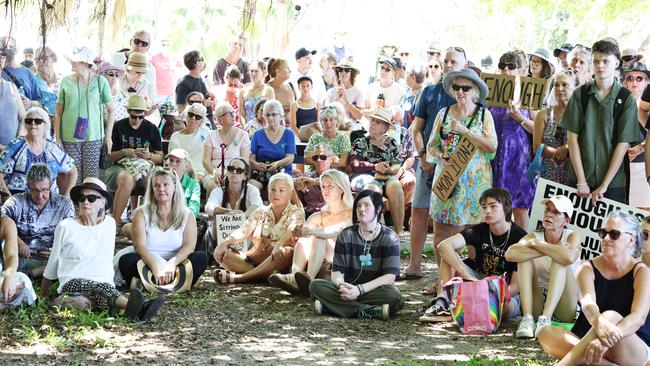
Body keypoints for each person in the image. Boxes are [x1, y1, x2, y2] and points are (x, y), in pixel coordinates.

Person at [41, 177, 164, 321]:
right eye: (82, 198)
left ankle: (133, 313)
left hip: (104, 284)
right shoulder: (65, 226)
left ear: (102, 203)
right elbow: (53, 261)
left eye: (92, 198)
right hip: (73, 282)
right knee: (101, 291)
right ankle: (141, 306)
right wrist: (42, 294)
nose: (86, 202)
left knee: (101, 294)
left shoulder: (110, 224)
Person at [538, 211, 650, 366]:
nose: (606, 239)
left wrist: (604, 341)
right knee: (545, 333)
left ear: (630, 240)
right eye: (603, 233)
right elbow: (588, 306)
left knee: (611, 316)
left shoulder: (642, 272)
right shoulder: (587, 267)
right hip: (588, 339)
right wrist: (599, 324)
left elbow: (638, 318)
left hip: (629, 344)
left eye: (614, 234)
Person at [403, 47, 464, 281]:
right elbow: (416, 129)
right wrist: (422, 156)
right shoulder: (428, 92)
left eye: (454, 61)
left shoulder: (468, 94)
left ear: (463, 66)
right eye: (446, 61)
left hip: (457, 168)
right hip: (428, 164)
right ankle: (414, 265)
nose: (448, 65)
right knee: (419, 210)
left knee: (451, 220)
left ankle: (448, 275)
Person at [420, 188, 526, 322]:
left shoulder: (520, 237)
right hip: (477, 280)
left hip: (503, 290)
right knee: (448, 256)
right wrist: (467, 276)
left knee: (504, 309)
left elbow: (515, 286)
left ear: (506, 208)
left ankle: (465, 308)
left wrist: (489, 294)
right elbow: (443, 246)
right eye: (484, 207)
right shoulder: (479, 229)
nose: (487, 211)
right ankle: (442, 303)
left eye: (493, 206)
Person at [426, 69, 497, 267]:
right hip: (448, 179)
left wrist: (467, 132)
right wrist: (442, 157)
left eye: (465, 88)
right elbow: (432, 147)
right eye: (456, 87)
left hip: (475, 183)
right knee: (441, 230)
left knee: (475, 232)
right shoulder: (444, 114)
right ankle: (443, 280)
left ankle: (472, 279)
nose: (461, 92)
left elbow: (492, 147)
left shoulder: (484, 115)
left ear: (474, 91)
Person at [562, 39, 642, 205]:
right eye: (596, 61)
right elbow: (572, 139)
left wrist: (604, 185)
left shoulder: (625, 98)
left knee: (611, 229)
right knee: (573, 229)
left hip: (614, 183)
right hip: (579, 179)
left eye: (606, 61)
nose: (600, 66)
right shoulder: (580, 94)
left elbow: (623, 144)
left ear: (617, 63)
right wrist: (581, 180)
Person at [308, 189, 404, 320]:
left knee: (393, 296)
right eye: (358, 205)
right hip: (347, 289)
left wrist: (359, 290)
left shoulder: (390, 238)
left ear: (378, 209)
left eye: (366, 205)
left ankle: (331, 307)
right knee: (315, 286)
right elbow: (337, 273)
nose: (361, 209)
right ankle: (367, 311)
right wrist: (342, 286)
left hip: (373, 290)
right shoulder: (346, 235)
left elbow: (390, 277)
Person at [117, 167, 208, 291]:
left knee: (201, 258)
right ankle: (170, 282)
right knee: (126, 260)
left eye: (166, 185)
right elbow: (140, 248)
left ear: (174, 186)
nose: (161, 189)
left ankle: (151, 283)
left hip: (177, 263)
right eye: (157, 186)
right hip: (148, 261)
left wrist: (171, 265)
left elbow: (189, 247)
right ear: (152, 189)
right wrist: (155, 267)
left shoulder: (187, 214)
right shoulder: (141, 213)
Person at [505, 195, 581, 339]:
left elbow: (569, 257)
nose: (549, 214)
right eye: (547, 210)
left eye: (556, 212)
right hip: (537, 300)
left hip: (565, 303)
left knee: (560, 259)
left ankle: (545, 319)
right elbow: (510, 254)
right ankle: (527, 319)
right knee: (523, 258)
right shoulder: (533, 236)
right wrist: (554, 248)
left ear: (566, 221)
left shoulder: (572, 236)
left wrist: (538, 245)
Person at [269, 169, 353, 296]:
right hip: (320, 261)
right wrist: (297, 232)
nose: (325, 190)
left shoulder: (352, 212)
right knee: (307, 236)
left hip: (344, 259)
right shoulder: (317, 216)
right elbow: (303, 237)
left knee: (318, 235)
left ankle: (308, 279)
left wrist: (313, 231)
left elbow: (337, 231)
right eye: (323, 186)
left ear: (342, 188)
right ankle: (294, 277)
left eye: (330, 186)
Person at [213, 173, 305, 284]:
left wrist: (279, 244)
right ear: (268, 190)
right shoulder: (260, 211)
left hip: (278, 261)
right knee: (224, 254)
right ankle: (265, 275)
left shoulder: (296, 212)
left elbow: (292, 231)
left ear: (290, 193)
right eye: (273, 189)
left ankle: (241, 277)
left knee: (287, 251)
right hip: (254, 259)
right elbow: (243, 231)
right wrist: (225, 243)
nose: (276, 193)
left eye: (281, 190)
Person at [1, 163, 74, 279]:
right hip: (20, 257)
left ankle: (31, 274)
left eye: (45, 190)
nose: (40, 196)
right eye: (35, 190)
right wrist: (18, 242)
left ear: (51, 185)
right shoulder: (17, 201)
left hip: (50, 260)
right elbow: (1, 220)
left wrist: (57, 249)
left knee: (70, 258)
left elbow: (72, 234)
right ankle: (21, 275)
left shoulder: (64, 204)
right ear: (27, 186)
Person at [54, 47, 114, 184]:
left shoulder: (100, 81)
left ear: (86, 64)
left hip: (94, 136)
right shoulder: (66, 81)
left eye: (76, 60)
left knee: (91, 178)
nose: (72, 63)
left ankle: (90, 205)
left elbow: (111, 110)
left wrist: (108, 137)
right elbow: (58, 112)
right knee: (73, 178)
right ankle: (74, 206)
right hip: (69, 137)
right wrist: (57, 138)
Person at [489, 51, 535, 230]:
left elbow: (539, 129)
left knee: (520, 208)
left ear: (521, 70)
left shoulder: (529, 94)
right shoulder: (490, 94)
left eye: (511, 66)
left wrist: (520, 118)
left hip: (519, 161)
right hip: (494, 158)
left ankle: (524, 255)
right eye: (502, 66)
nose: (506, 70)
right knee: (493, 207)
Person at [104, 95, 163, 226]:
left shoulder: (152, 128)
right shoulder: (118, 126)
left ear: (145, 114)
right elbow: (108, 156)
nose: (137, 120)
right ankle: (114, 222)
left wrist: (148, 156)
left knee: (152, 180)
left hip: (144, 166)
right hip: (119, 166)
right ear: (128, 112)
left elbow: (160, 157)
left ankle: (148, 222)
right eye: (134, 116)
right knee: (127, 179)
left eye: (141, 117)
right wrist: (123, 152)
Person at [350, 108, 405, 237]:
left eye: (378, 122)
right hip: (368, 176)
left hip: (387, 176)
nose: (373, 123)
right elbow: (355, 164)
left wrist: (391, 169)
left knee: (395, 186)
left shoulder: (391, 142)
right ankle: (377, 232)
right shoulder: (361, 141)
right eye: (373, 121)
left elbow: (397, 163)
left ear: (385, 128)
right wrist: (375, 166)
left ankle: (399, 232)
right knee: (373, 189)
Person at [0, 107, 77, 196]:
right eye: (29, 121)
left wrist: (66, 197)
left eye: (38, 121)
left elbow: (73, 171)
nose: (33, 123)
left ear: (45, 125)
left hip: (48, 200)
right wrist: (8, 198)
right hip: (20, 199)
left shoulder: (52, 148)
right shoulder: (16, 145)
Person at [533, 70, 579, 185]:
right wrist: (558, 153)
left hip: (573, 177)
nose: (559, 88)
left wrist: (568, 147)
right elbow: (536, 147)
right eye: (556, 85)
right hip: (547, 178)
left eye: (564, 84)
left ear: (575, 88)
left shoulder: (582, 116)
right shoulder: (543, 114)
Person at [202, 102, 251, 195]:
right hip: (213, 173)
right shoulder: (211, 135)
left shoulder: (243, 135)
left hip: (235, 173)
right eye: (229, 114)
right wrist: (214, 173)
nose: (233, 115)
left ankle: (232, 209)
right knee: (212, 185)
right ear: (220, 120)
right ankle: (212, 209)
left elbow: (245, 162)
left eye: (234, 112)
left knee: (234, 184)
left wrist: (232, 174)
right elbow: (205, 161)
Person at [249, 100, 296, 191]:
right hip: (261, 172)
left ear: (281, 116)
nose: (270, 118)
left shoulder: (288, 134)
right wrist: (257, 165)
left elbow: (290, 158)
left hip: (281, 172)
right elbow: (251, 158)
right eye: (267, 115)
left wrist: (277, 164)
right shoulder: (257, 135)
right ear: (264, 117)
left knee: (274, 187)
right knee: (251, 188)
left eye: (274, 114)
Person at [623, 62, 650, 211]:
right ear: (624, 82)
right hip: (622, 172)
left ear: (647, 81)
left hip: (644, 171)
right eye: (630, 78)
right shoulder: (618, 107)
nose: (634, 82)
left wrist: (642, 147)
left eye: (639, 78)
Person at [0, 200, 37, 309]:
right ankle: (8, 301)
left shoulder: (6, 223)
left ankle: (6, 299)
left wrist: (9, 277)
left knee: (22, 278)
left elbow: (11, 255)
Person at [168, 103, 210, 182]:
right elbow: (174, 161)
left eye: (197, 117)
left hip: (203, 174)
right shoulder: (176, 136)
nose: (193, 118)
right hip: (183, 173)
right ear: (186, 116)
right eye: (191, 115)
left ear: (202, 120)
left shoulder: (207, 133)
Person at [0, 36, 43, 109]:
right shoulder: (1, 72)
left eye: (11, 46)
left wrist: (30, 103)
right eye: (5, 47)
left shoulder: (27, 72)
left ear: (16, 50)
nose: (7, 50)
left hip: (27, 118)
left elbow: (40, 102)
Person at [111, 30, 157, 97]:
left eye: (144, 44)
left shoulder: (150, 69)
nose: (139, 46)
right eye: (137, 41)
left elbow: (152, 95)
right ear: (130, 42)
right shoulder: (116, 57)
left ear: (148, 48)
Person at [294, 144, 336, 217]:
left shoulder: (339, 176)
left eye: (323, 157)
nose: (319, 160)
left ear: (331, 159)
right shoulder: (307, 176)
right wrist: (296, 182)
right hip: (309, 215)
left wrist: (315, 181)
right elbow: (288, 181)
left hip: (331, 216)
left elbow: (340, 181)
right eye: (315, 157)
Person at [304, 105, 351, 170]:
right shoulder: (315, 137)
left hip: (336, 174)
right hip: (316, 172)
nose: (328, 123)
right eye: (325, 120)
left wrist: (321, 163)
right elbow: (306, 158)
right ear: (321, 122)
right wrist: (322, 164)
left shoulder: (343, 138)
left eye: (331, 120)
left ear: (337, 121)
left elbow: (343, 162)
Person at [175, 50, 215, 122]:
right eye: (202, 59)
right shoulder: (183, 84)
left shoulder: (201, 80)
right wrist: (204, 104)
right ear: (197, 63)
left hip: (207, 123)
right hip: (195, 127)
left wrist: (210, 97)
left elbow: (203, 99)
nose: (204, 62)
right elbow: (181, 112)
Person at [117, 52, 157, 118]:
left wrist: (152, 109)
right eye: (138, 72)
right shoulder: (118, 80)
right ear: (128, 70)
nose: (140, 74)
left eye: (143, 72)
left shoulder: (146, 85)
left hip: (135, 120)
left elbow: (146, 113)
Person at [0, 46, 25, 149]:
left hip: (12, 154)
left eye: (2, 55)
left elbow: (23, 117)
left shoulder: (11, 86)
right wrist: (3, 149)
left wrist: (17, 143)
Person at [325, 57, 364, 122]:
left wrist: (346, 99)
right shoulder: (330, 92)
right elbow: (326, 115)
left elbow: (359, 116)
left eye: (347, 70)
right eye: (340, 69)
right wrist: (336, 100)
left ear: (352, 73)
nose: (343, 72)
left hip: (351, 129)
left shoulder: (358, 92)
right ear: (337, 72)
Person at [239, 60, 274, 125]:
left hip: (264, 129)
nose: (253, 74)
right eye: (251, 71)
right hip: (248, 129)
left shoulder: (269, 90)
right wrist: (245, 129)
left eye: (256, 71)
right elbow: (241, 115)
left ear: (263, 73)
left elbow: (272, 112)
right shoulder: (243, 92)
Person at [265, 58, 296, 127]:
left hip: (292, 128)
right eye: (287, 68)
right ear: (278, 71)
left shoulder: (291, 86)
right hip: (276, 128)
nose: (290, 71)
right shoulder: (268, 88)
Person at [289, 76, 321, 142]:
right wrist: (302, 137)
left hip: (314, 137)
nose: (305, 88)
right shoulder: (294, 104)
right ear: (299, 87)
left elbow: (318, 123)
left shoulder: (317, 104)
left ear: (311, 87)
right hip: (299, 138)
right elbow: (293, 126)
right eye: (303, 86)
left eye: (307, 86)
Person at [34, 47, 61, 116]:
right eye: (37, 60)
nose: (40, 61)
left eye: (44, 58)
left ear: (54, 59)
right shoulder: (32, 81)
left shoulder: (63, 80)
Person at [400, 62, 426, 128]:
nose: (404, 76)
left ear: (413, 78)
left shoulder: (423, 94)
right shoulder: (407, 91)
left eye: (407, 73)